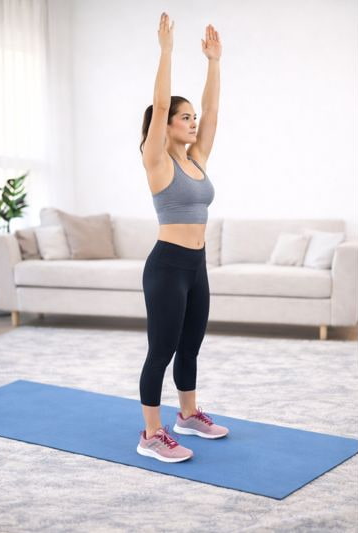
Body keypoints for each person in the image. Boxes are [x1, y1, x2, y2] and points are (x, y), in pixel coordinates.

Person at [135, 14, 228, 463]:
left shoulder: (198, 158)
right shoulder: (157, 161)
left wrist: (214, 62)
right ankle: (151, 433)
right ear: (165, 124)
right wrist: (167, 51)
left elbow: (213, 113)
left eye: (192, 117)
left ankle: (187, 415)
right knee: (162, 350)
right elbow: (158, 98)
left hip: (197, 265)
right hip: (167, 266)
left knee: (191, 344)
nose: (193, 123)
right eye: (184, 118)